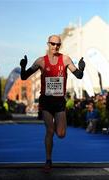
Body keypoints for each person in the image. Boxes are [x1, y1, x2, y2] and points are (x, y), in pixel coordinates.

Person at [20, 34, 85, 172]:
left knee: (61, 134)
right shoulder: (41, 61)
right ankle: (48, 160)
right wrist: (23, 67)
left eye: (58, 44)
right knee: (49, 131)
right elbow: (24, 76)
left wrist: (81, 68)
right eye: (52, 44)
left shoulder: (65, 59)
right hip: (46, 101)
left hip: (59, 101)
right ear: (48, 44)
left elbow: (78, 75)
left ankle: (58, 123)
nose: (55, 46)